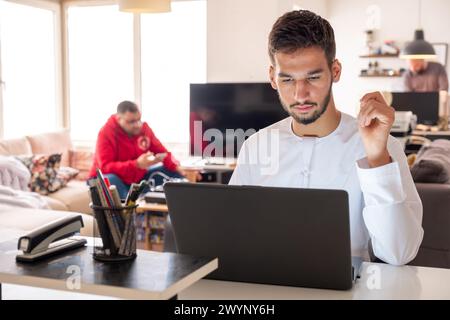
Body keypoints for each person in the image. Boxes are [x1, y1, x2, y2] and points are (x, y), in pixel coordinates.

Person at [229, 10, 424, 265]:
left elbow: (400, 253)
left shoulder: (383, 146)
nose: (300, 94)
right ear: (272, 78)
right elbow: (233, 234)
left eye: (313, 77)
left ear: (336, 71)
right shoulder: (256, 146)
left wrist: (377, 159)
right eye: (287, 79)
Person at [89, 100, 192, 199]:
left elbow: (162, 152)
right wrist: (136, 164)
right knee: (111, 179)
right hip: (111, 177)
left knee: (171, 170)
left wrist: (177, 167)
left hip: (136, 177)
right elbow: (105, 167)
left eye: (139, 119)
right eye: (132, 122)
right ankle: (133, 209)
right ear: (118, 118)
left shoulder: (144, 129)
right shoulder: (105, 133)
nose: (137, 125)